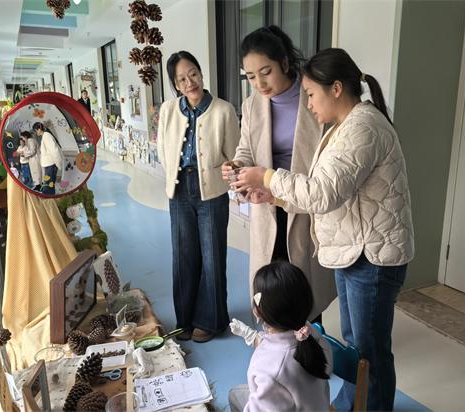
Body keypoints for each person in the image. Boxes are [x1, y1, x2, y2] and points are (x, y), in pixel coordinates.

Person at [232, 48, 415, 411]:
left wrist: (266, 176)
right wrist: (274, 197)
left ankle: (371, 406)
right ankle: (353, 402)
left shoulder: (362, 127)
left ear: (336, 88)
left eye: (312, 94)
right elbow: (327, 193)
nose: (310, 104)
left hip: (372, 255)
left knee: (370, 352)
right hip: (355, 249)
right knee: (356, 346)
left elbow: (322, 192)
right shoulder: (342, 128)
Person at [221, 25, 336, 323]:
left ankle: (308, 342)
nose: (259, 83)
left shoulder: (313, 98)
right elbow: (246, 150)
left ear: (285, 63)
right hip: (267, 204)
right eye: (250, 76)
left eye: (266, 72)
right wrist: (236, 166)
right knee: (272, 284)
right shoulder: (252, 106)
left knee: (304, 287)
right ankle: (277, 345)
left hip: (304, 204)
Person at [157, 51, 240, 343]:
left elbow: (235, 154)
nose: (189, 82)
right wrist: (174, 174)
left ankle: (211, 320)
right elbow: (162, 149)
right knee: (183, 256)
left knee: (212, 256)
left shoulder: (223, 110)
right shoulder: (168, 110)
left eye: (193, 73)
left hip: (212, 191)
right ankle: (185, 320)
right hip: (179, 189)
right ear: (175, 84)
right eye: (181, 79)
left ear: (201, 73)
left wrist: (230, 170)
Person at [228, 261, 332, 412]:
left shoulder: (271, 370)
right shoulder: (309, 333)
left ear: (257, 312)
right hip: (316, 405)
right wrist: (251, 336)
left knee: (234, 394)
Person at [33, 122, 63, 195]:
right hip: (49, 165)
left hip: (51, 165)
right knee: (49, 185)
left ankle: (48, 199)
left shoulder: (47, 136)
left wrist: (58, 164)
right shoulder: (45, 136)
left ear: (39, 129)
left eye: (35, 131)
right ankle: (49, 198)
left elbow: (54, 151)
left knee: (48, 187)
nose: (35, 133)